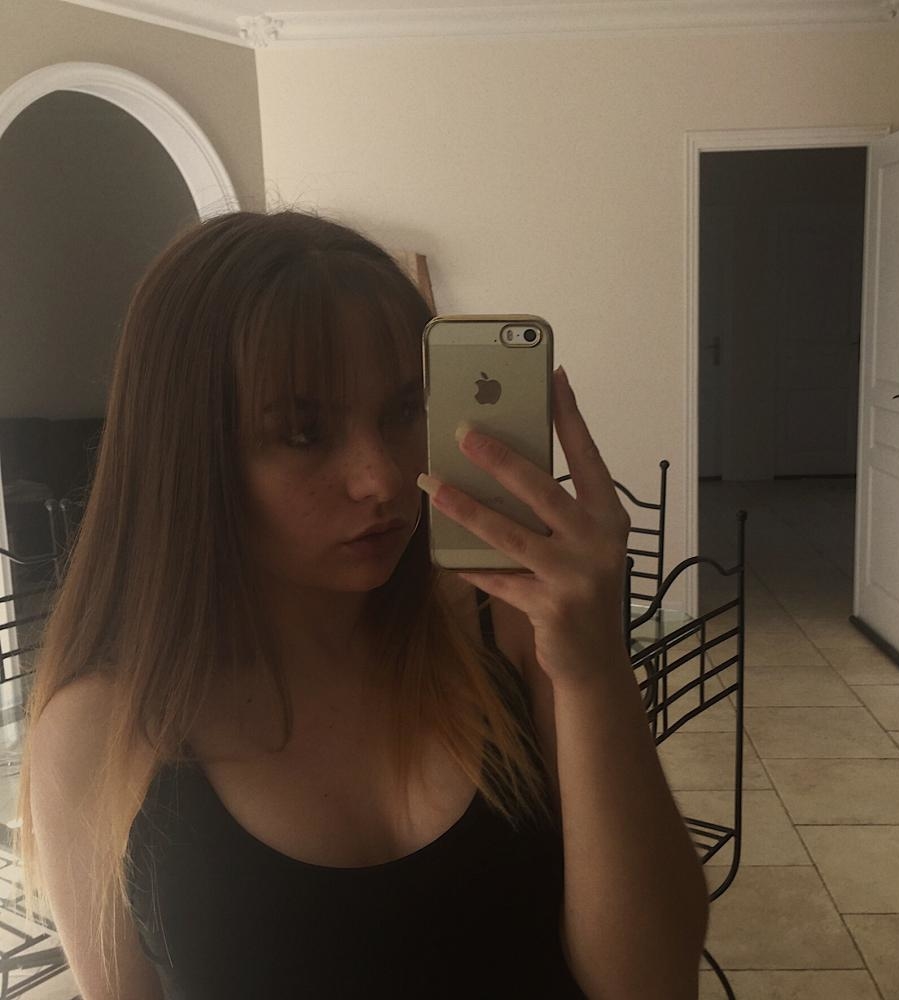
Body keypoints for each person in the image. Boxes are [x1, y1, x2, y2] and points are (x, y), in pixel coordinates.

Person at [16, 209, 709, 999]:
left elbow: (653, 985)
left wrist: (595, 670)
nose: (381, 479)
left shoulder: (510, 627)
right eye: (302, 433)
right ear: (186, 454)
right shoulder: (103, 732)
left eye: (404, 411)